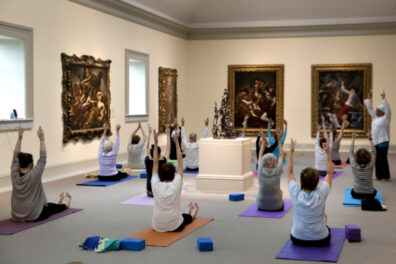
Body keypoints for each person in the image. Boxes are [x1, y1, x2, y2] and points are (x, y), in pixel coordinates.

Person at [11, 127, 72, 222]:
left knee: (49, 205)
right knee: (50, 207)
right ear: (31, 165)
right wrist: (42, 138)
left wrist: (19, 138)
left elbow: (15, 157)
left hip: (16, 214)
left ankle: (58, 203)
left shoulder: (14, 173)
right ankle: (65, 204)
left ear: (19, 164)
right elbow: (43, 158)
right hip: (34, 214)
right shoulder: (34, 175)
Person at [288, 138, 334, 247]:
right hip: (321, 239)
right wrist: (328, 153)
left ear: (302, 181)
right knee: (325, 217)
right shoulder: (321, 194)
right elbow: (330, 173)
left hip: (297, 238)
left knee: (323, 217)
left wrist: (291, 152)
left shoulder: (296, 192)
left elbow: (289, 172)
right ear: (317, 182)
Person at [151, 129, 199, 232]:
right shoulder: (176, 183)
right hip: (174, 226)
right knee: (186, 219)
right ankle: (193, 212)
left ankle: (188, 210)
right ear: (173, 175)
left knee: (179, 215)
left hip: (157, 226)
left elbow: (155, 164)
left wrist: (155, 142)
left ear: (160, 174)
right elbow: (180, 165)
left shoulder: (155, 184)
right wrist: (177, 142)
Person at [364, 90, 391, 181]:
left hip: (383, 141)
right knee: (376, 159)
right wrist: (369, 98)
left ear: (382, 111)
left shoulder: (386, 118)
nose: (375, 111)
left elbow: (388, 110)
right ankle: (378, 175)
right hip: (375, 141)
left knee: (383, 159)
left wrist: (383, 99)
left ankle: (385, 176)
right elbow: (370, 108)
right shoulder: (375, 117)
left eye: (378, 110)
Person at [256, 127, 284, 211]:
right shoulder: (277, 171)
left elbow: (260, 155)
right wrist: (279, 141)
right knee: (281, 191)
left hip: (260, 206)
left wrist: (263, 141)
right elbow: (282, 156)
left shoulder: (260, 170)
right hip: (277, 206)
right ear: (275, 163)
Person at [349, 130, 377, 199]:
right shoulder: (371, 165)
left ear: (356, 157)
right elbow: (373, 151)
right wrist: (370, 138)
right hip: (370, 194)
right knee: (375, 191)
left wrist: (353, 138)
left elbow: (351, 151)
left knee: (352, 191)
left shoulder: (353, 165)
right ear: (368, 157)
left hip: (356, 194)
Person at [144, 124, 169, 197]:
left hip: (149, 191)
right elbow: (168, 149)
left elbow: (147, 148)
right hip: (160, 192)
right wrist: (168, 134)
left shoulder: (147, 160)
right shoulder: (163, 161)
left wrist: (149, 133)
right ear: (160, 154)